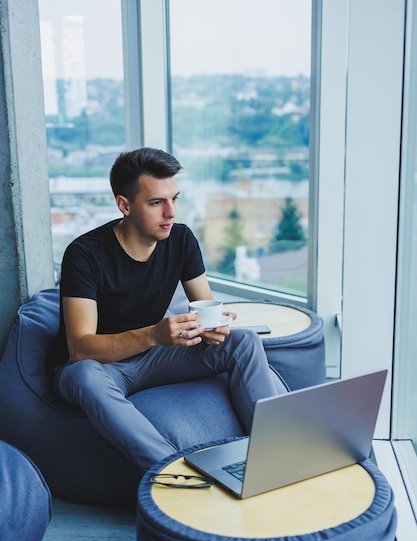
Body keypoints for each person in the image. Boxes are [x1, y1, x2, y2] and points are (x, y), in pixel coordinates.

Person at [53, 147, 288, 473]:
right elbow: (80, 348)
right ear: (124, 204)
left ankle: (276, 454)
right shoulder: (84, 254)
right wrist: (153, 334)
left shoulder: (181, 240)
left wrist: (213, 326)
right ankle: (171, 470)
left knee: (243, 341)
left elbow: (205, 306)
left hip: (154, 358)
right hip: (103, 368)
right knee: (82, 374)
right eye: (156, 203)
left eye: (174, 199)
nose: (171, 212)